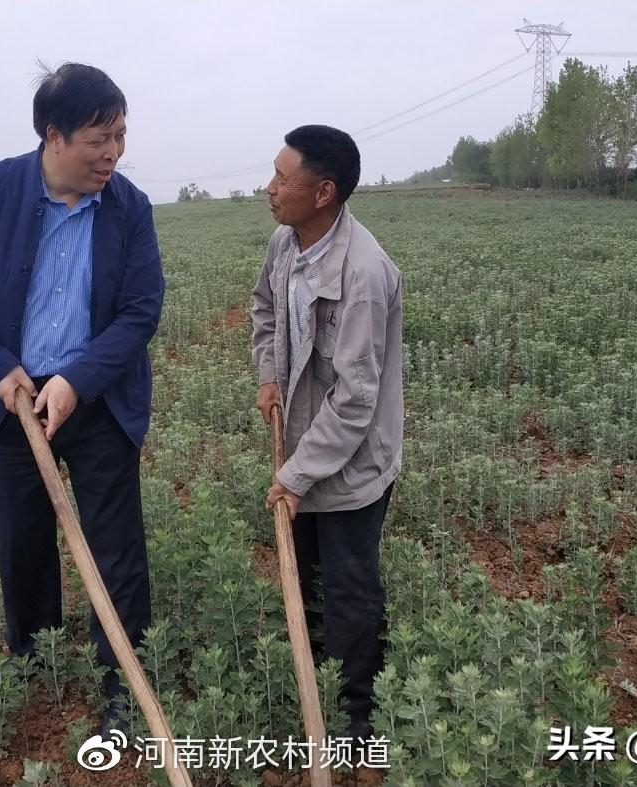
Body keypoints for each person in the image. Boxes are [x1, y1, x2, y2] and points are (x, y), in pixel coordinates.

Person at [0, 62, 163, 735]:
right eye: (98, 139)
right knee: (24, 543)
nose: (112, 153)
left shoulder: (128, 206)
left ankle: (123, 678)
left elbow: (142, 310)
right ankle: (36, 662)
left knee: (116, 548)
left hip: (96, 400)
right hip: (13, 405)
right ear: (53, 136)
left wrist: (76, 379)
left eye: (120, 135)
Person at [250, 124, 404, 742]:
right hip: (303, 443)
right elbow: (264, 306)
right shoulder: (285, 244)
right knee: (309, 574)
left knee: (349, 593)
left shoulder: (364, 273)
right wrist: (268, 374)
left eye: (284, 179)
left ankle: (362, 723)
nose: (270, 188)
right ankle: (318, 689)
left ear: (324, 192)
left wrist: (293, 474)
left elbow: (356, 400)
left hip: (351, 464)